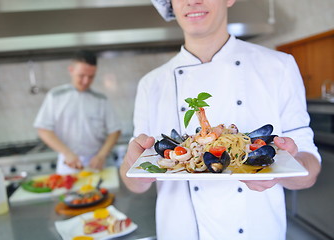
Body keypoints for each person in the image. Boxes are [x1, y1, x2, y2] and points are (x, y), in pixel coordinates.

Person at [120, 0, 321, 240]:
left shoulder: (280, 66)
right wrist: (134, 167)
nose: (192, 1)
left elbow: (310, 170)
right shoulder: (150, 84)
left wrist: (285, 169)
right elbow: (135, 183)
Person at [34, 50, 121, 174]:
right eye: (81, 75)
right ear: (71, 70)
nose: (86, 81)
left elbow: (115, 131)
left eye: (91, 77)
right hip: (68, 163)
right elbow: (43, 129)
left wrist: (101, 156)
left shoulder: (101, 99)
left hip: (96, 163)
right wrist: (67, 153)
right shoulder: (55, 96)